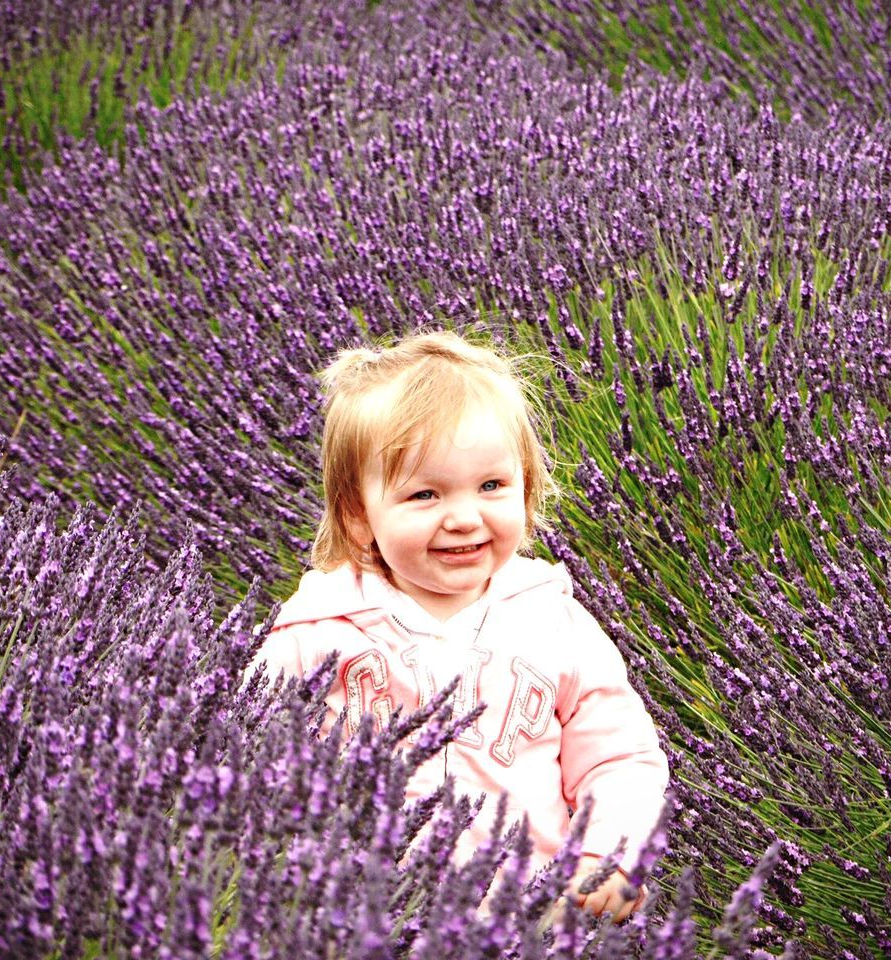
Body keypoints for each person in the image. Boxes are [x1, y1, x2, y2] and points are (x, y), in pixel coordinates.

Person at [244, 329, 668, 922]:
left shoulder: (553, 620)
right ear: (358, 516)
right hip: (368, 921)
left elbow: (617, 755)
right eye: (425, 495)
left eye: (492, 486)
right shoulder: (316, 634)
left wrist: (609, 853)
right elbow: (245, 756)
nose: (464, 517)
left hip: (536, 915)